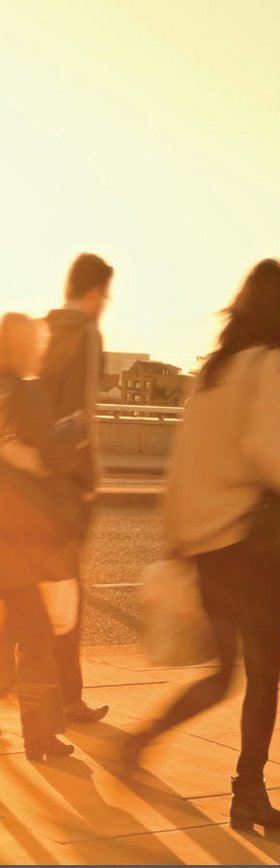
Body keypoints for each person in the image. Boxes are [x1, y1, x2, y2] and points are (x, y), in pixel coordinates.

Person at [122, 259, 280, 831]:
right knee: (263, 679)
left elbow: (184, 465)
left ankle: (140, 740)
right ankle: (249, 793)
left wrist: (180, 538)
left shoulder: (213, 373)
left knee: (222, 673)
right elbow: (266, 452)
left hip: (209, 545)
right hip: (250, 544)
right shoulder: (264, 365)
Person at [0, 312, 78, 761]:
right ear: (26, 347)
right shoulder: (28, 394)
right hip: (22, 541)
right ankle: (38, 736)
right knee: (35, 640)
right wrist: (73, 431)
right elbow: (50, 456)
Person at [40, 252, 113, 724]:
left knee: (34, 591)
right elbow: (80, 414)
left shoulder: (46, 329)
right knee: (67, 592)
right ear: (93, 293)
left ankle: (26, 688)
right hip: (66, 485)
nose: (104, 303)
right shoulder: (86, 332)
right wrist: (87, 483)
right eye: (104, 294)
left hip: (32, 483)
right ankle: (67, 697)